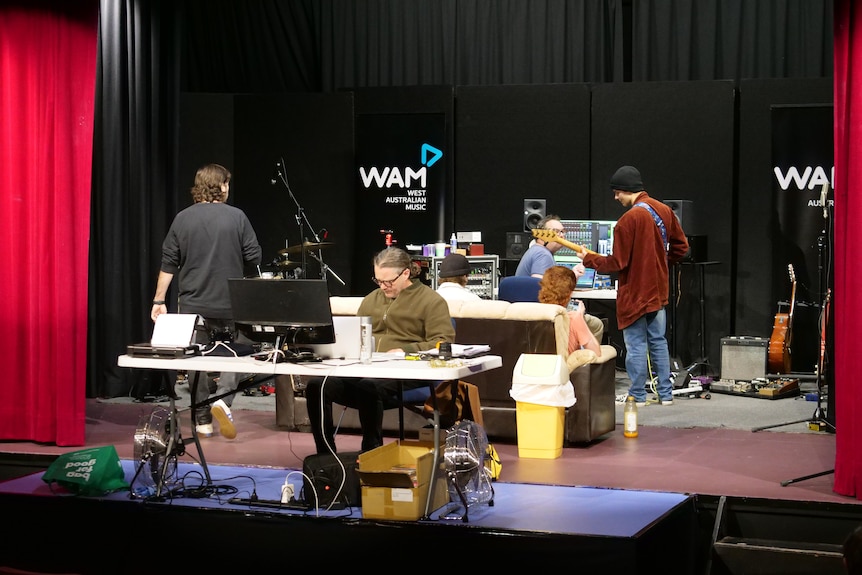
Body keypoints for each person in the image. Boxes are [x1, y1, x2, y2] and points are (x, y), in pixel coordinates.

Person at [305, 247, 455, 454]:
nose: (383, 287)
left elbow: (443, 341)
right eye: (378, 281)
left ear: (405, 273)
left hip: (409, 371)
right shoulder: (371, 299)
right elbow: (355, 333)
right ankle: (326, 454)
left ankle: (371, 452)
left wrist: (405, 350)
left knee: (368, 387)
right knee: (317, 386)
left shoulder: (431, 301)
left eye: (388, 282)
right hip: (368, 369)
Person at [151, 163, 262, 438]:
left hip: (193, 305)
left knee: (195, 360)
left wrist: (158, 300)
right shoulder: (237, 217)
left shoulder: (182, 218)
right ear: (221, 185)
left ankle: (202, 418)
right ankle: (223, 400)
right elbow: (254, 258)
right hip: (231, 303)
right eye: (227, 184)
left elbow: (169, 263)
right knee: (240, 353)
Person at [575, 165, 688, 407]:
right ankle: (666, 395)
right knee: (658, 341)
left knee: (636, 345)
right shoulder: (665, 211)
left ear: (628, 190)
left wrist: (588, 258)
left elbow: (617, 262)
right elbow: (682, 248)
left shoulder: (628, 221)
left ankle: (637, 395)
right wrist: (659, 262)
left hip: (636, 294)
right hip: (658, 291)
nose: (616, 198)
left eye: (617, 193)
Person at [515, 214, 604, 342]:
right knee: (596, 325)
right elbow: (541, 291)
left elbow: (552, 288)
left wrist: (573, 276)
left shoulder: (537, 251)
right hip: (542, 317)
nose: (562, 235)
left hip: (530, 315)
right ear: (542, 234)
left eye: (563, 232)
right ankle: (582, 359)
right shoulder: (542, 254)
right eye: (556, 232)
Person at [538, 265, 602, 357]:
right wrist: (580, 317)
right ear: (570, 293)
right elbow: (596, 353)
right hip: (565, 369)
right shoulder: (574, 318)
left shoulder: (534, 313)